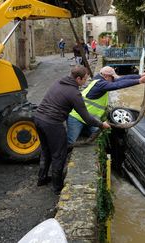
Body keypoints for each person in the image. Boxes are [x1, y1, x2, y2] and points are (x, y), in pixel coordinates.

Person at [35, 66, 110, 195]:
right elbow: (86, 118)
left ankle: (41, 179)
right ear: (78, 78)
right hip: (52, 123)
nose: (86, 82)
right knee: (59, 154)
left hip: (38, 118)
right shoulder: (74, 93)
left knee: (46, 150)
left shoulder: (59, 82)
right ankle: (57, 188)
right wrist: (101, 125)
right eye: (85, 79)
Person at [67, 66, 145, 146]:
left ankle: (84, 130)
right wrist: (139, 81)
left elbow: (121, 79)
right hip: (77, 118)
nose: (114, 80)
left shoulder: (100, 79)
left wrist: (139, 76)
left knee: (96, 135)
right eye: (112, 78)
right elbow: (118, 85)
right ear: (106, 76)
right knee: (71, 142)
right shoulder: (100, 85)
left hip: (89, 119)